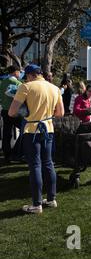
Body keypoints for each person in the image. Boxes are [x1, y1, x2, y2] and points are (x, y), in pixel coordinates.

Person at [8, 64, 64, 214]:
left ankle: (37, 204)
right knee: (48, 163)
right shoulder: (55, 88)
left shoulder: (26, 87)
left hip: (32, 130)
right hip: (48, 129)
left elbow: (11, 112)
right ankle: (51, 199)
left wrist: (25, 111)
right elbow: (60, 113)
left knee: (35, 165)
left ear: (30, 75)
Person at [0, 65, 23, 164]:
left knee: (6, 133)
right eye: (19, 72)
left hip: (5, 110)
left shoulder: (2, 82)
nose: (20, 74)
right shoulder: (18, 83)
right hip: (16, 111)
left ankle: (7, 155)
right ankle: (17, 152)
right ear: (15, 72)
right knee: (25, 130)